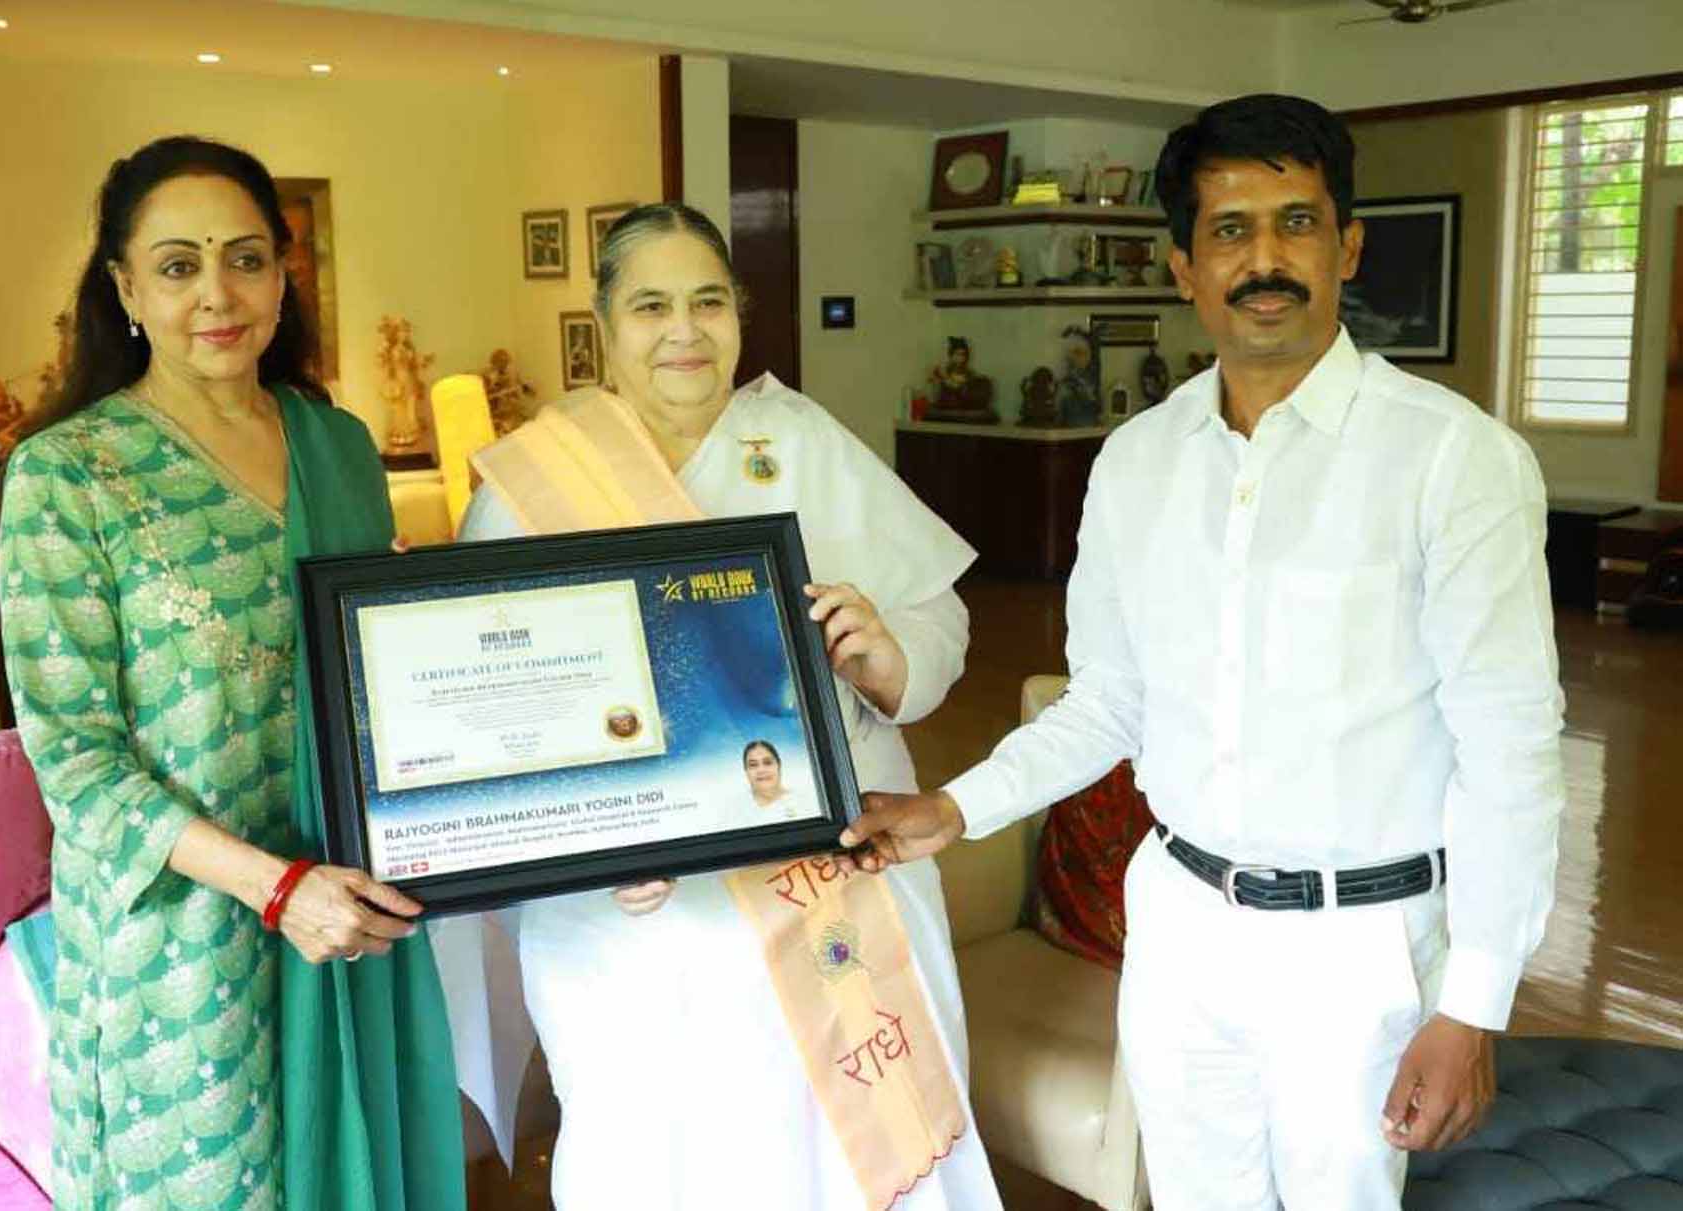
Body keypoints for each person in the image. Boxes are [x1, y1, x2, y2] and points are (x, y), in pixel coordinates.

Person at [845, 93, 1565, 1210]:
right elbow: (1107, 703)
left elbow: (1510, 751)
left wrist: (1471, 1001)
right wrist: (956, 806)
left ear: (1346, 246)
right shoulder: (1135, 461)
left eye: (1296, 222)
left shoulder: (1451, 461)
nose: (1263, 259)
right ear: (1182, 266)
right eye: (1230, 230)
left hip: (1354, 947)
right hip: (1177, 923)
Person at [438, 203, 1003, 1210]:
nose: (683, 330)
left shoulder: (798, 438)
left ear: (739, 312)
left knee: (833, 1156)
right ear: (603, 322)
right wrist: (587, 846)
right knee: (661, 1152)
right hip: (627, 917)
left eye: (707, 300)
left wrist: (888, 654)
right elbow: (490, 714)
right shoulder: (533, 480)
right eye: (650, 304)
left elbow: (939, 629)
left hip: (832, 870)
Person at [0, 135, 465, 1211]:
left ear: (284, 272)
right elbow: (73, 758)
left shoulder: (338, 444)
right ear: (123, 287)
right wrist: (272, 886)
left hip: (354, 898)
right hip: (189, 933)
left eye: (246, 258)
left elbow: (369, 676)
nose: (217, 292)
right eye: (176, 264)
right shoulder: (70, 472)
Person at [742, 739, 806, 820]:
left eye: (767, 763)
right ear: (746, 770)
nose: (761, 770)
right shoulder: (737, 809)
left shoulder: (802, 803)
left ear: (779, 766)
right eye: (753, 765)